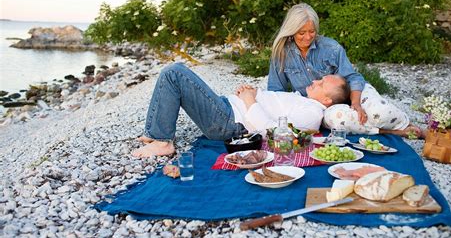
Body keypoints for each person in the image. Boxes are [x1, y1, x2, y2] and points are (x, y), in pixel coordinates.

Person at [132, 63, 350, 158]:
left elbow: (274, 132)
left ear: (328, 101)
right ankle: (155, 133)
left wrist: (249, 100)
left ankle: (162, 141)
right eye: (320, 78)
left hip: (228, 122)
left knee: (174, 73)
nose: (316, 81)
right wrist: (252, 94)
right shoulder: (304, 100)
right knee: (175, 72)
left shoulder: (312, 114)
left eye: (322, 84)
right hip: (228, 109)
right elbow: (271, 107)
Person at [268, 3, 368, 124]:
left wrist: (355, 103)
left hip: (334, 109)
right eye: (301, 33)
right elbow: (276, 89)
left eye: (312, 31)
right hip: (305, 109)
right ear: (292, 32)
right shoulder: (282, 53)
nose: (308, 37)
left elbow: (352, 78)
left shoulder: (331, 48)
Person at [323, 84, 425, 138]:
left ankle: (405, 123)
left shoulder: (333, 48)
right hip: (328, 105)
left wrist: (355, 102)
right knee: (339, 118)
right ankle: (393, 131)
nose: (314, 81)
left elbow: (353, 76)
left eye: (321, 82)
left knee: (380, 112)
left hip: (350, 88)